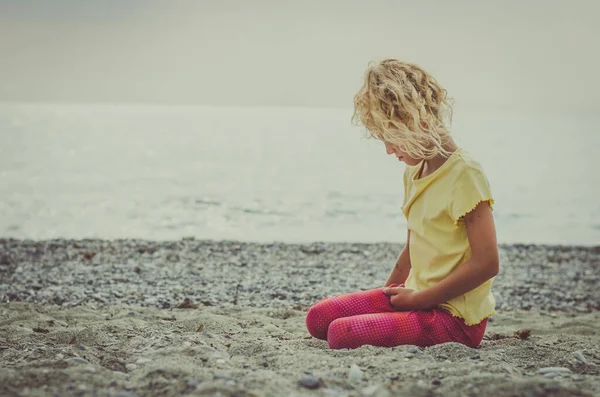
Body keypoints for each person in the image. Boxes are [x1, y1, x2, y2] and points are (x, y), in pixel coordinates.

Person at [305, 59, 499, 349]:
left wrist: (421, 299)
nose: (388, 150)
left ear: (417, 123)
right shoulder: (414, 172)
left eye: (391, 138)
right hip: (418, 297)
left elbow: (487, 263)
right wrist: (388, 298)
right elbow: (413, 247)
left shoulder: (465, 174)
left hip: (454, 319)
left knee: (341, 334)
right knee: (318, 318)